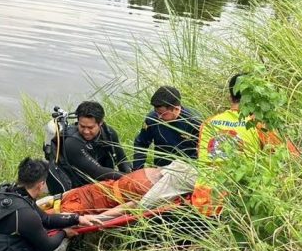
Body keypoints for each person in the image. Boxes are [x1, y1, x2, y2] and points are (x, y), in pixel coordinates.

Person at [193, 73, 297, 215]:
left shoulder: (207, 123)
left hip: (203, 203)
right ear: (256, 98)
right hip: (237, 204)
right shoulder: (258, 124)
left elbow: (201, 156)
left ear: (230, 97)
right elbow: (293, 158)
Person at [43, 159, 198, 218]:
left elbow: (123, 209)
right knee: (53, 207)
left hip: (96, 198)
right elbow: (124, 208)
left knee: (49, 213)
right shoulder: (157, 183)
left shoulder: (155, 180)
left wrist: (97, 219)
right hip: (97, 193)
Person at [56, 101, 131, 189]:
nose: (86, 131)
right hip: (79, 186)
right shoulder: (72, 143)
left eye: (90, 127)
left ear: (100, 123)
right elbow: (97, 172)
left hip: (101, 180)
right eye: (82, 126)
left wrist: (131, 174)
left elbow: (122, 159)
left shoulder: (109, 133)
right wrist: (130, 179)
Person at [132, 86, 202, 170]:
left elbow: (204, 151)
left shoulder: (195, 121)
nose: (159, 117)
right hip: (161, 168)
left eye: (162, 114)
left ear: (176, 109)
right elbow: (141, 144)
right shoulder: (152, 119)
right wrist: (137, 169)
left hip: (187, 169)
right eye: (156, 112)